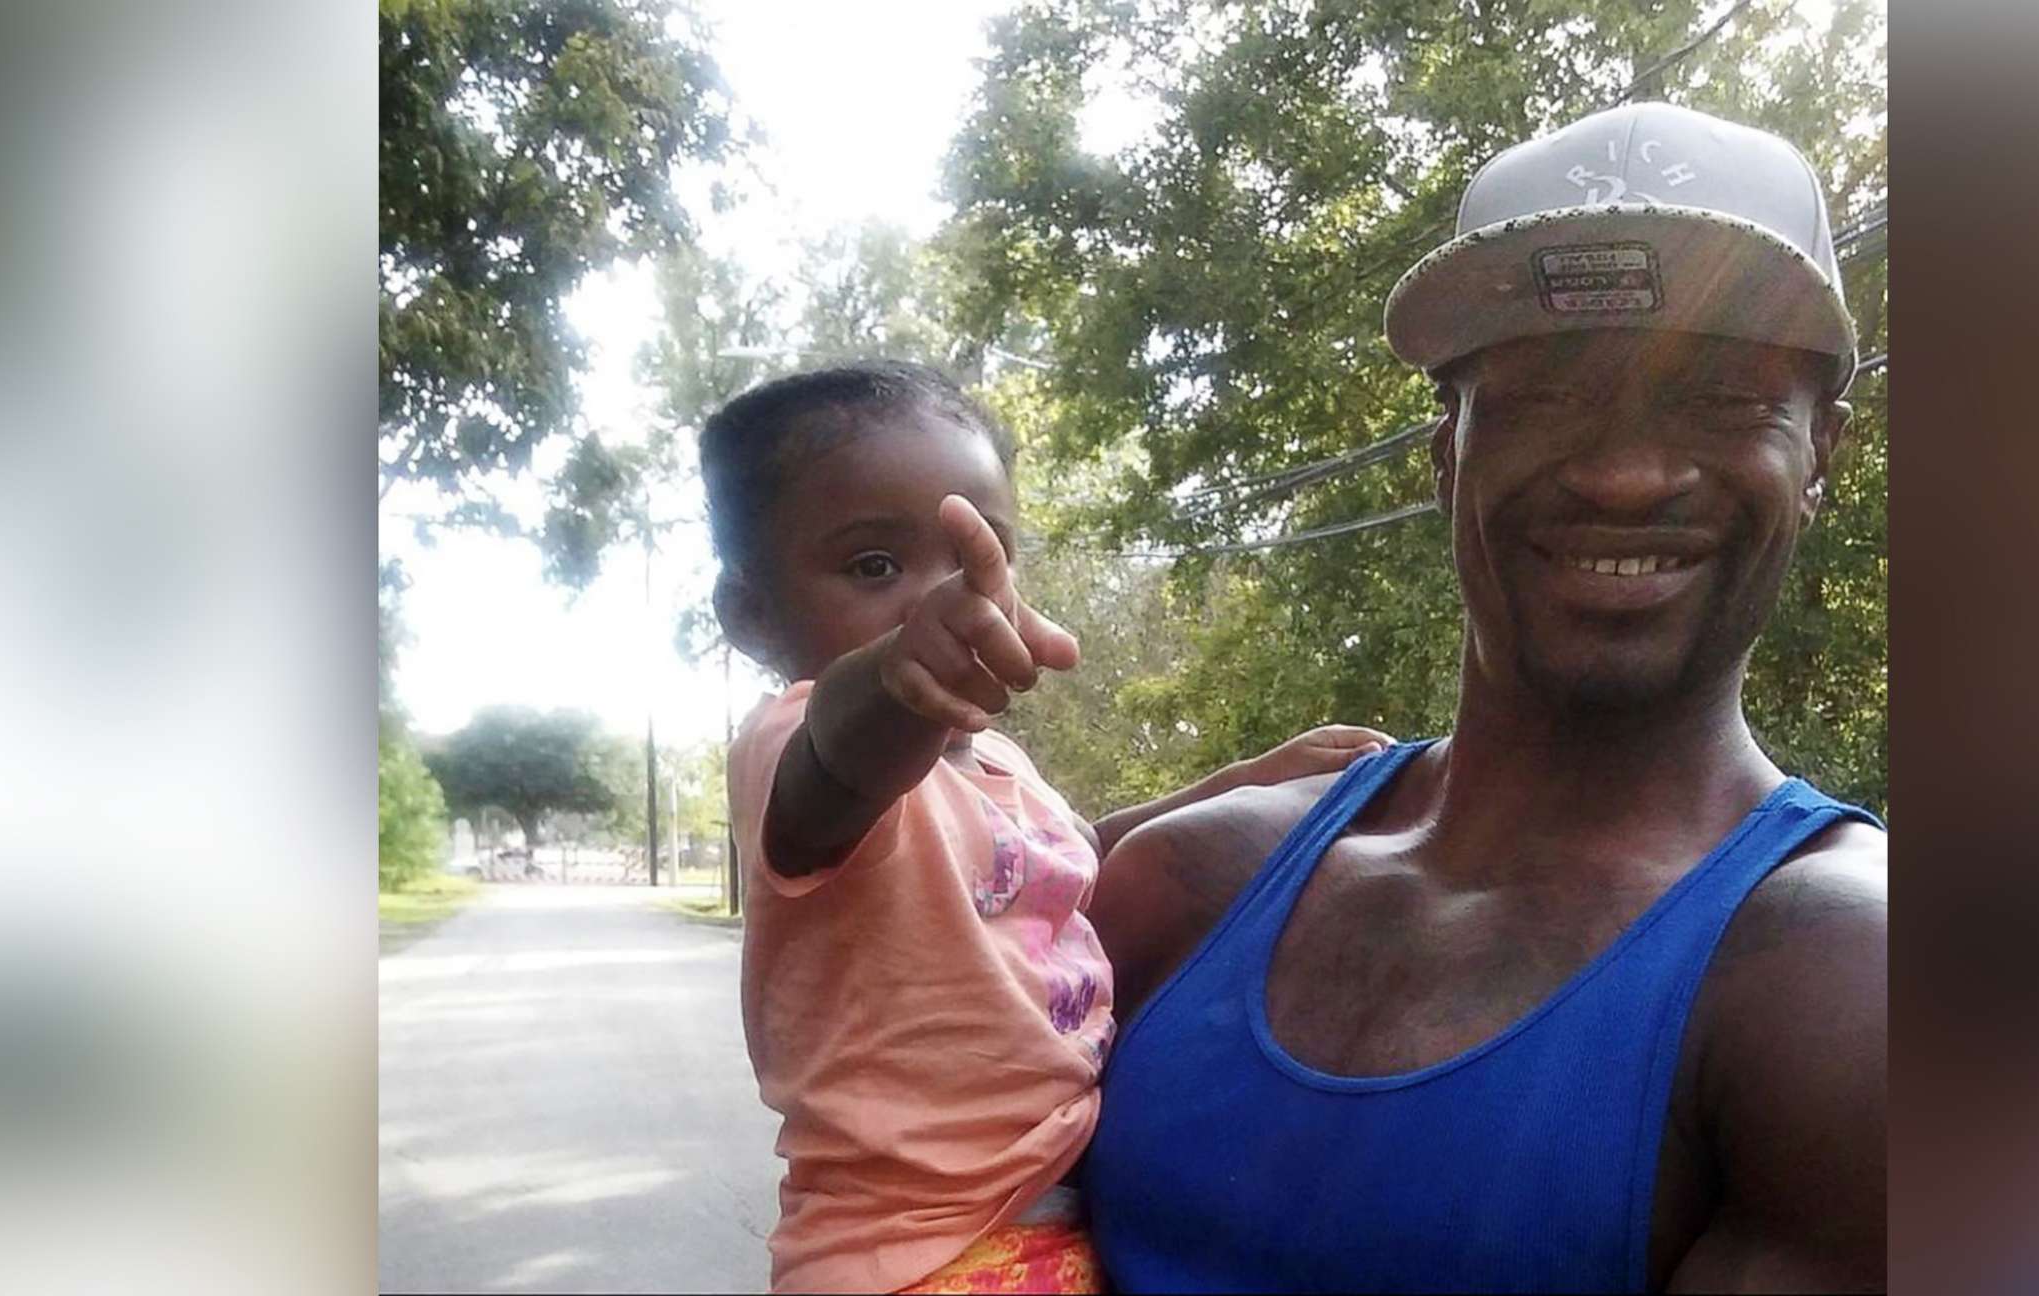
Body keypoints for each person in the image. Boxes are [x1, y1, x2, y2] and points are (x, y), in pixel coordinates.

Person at [1081, 102, 1889, 1292]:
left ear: (1824, 453)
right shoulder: (1185, 884)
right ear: (1444, 446)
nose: (1626, 474)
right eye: (1550, 394)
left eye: (1722, 400)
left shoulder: (1841, 994)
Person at [703, 361, 1392, 1294]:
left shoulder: (998, 768)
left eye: (978, 557)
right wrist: (901, 673)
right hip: (921, 1252)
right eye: (874, 566)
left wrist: (1244, 780)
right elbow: (841, 758)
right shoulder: (793, 743)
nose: (948, 600)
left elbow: (1081, 859)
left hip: (1037, 1218)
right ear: (749, 613)